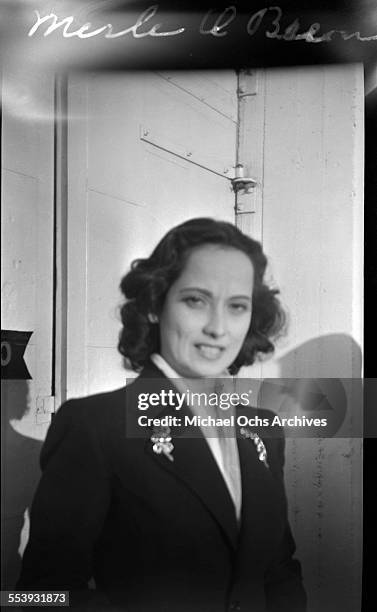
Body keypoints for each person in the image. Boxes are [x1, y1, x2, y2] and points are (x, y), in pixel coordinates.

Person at [17, 218, 307, 612]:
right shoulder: (96, 426)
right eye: (195, 300)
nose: (218, 328)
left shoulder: (263, 429)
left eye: (237, 306)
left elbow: (279, 571)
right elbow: (40, 594)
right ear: (155, 305)